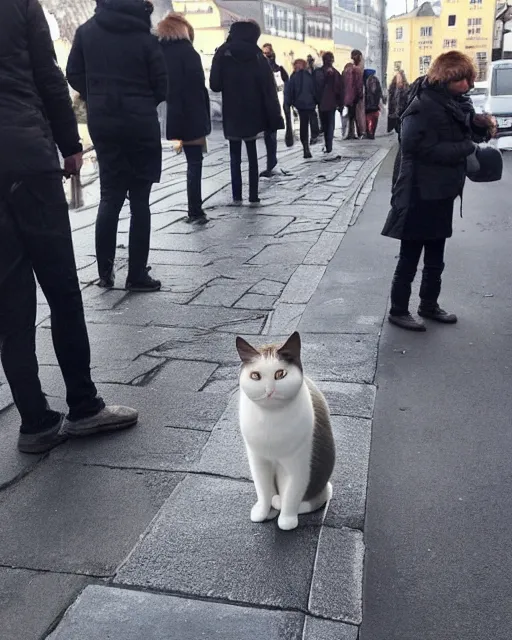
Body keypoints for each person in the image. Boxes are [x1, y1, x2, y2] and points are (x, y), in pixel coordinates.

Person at [0, 0, 138, 454]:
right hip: (24, 153)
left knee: (11, 302)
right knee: (61, 287)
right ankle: (84, 406)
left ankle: (35, 421)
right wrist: (69, 143)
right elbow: (47, 73)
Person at [382, 52, 495, 332]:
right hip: (418, 190)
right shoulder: (423, 105)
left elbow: (463, 134)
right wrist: (466, 148)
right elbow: (414, 147)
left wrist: (480, 129)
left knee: (436, 254)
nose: (468, 85)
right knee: (410, 255)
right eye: (462, 80)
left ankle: (429, 304)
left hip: (442, 189)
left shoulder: (457, 104)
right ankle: (398, 310)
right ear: (446, 78)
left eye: (470, 79)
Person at [67, 0, 167, 291]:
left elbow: (73, 72)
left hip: (105, 123)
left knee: (109, 196)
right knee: (140, 201)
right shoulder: (144, 36)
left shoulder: (87, 32)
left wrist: (96, 93)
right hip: (140, 125)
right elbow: (162, 84)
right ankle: (136, 275)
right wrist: (142, 102)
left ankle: (105, 273)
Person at [210, 21, 283, 205]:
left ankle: (236, 196)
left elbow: (215, 85)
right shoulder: (258, 55)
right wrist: (274, 115)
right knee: (252, 155)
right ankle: (253, 195)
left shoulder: (223, 53)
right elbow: (268, 88)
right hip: (253, 112)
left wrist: (218, 58)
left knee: (234, 156)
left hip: (232, 112)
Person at [157, 13, 211, 225]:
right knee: (195, 162)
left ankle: (194, 209)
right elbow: (198, 86)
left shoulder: (159, 51)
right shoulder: (189, 53)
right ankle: (195, 210)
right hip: (192, 113)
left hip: (171, 113)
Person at [261, 43, 289, 174]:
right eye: (264, 53)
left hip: (276, 103)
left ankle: (272, 164)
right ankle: (271, 164)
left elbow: (286, 83)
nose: (266, 56)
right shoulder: (260, 68)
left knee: (271, 135)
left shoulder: (278, 69)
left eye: (268, 53)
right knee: (269, 136)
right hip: (266, 105)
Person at [284, 59, 317, 159]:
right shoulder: (309, 76)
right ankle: (314, 135)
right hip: (310, 104)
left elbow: (289, 91)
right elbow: (314, 89)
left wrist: (289, 103)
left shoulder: (293, 77)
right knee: (312, 118)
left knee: (303, 125)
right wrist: (316, 100)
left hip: (300, 105)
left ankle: (306, 147)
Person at [314, 52, 343, 160]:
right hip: (328, 103)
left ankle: (328, 146)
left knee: (327, 126)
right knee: (329, 126)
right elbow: (339, 90)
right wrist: (340, 104)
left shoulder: (321, 72)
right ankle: (328, 146)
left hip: (325, 103)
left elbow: (339, 89)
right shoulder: (334, 73)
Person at [342, 61, 364, 139]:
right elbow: (359, 85)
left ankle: (348, 133)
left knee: (349, 116)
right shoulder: (356, 71)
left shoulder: (344, 73)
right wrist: (360, 95)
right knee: (355, 116)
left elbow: (342, 86)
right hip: (354, 97)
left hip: (346, 98)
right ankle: (356, 133)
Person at [387, 69, 409, 134]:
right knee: (396, 127)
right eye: (397, 77)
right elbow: (391, 99)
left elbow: (407, 98)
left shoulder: (405, 87)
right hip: (394, 110)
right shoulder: (392, 87)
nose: (398, 79)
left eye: (400, 77)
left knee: (400, 126)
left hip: (402, 109)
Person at [364, 69, 383, 140]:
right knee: (374, 120)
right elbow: (379, 92)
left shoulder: (364, 80)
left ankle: (368, 133)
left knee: (367, 120)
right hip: (375, 105)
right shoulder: (376, 80)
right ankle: (372, 133)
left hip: (366, 106)